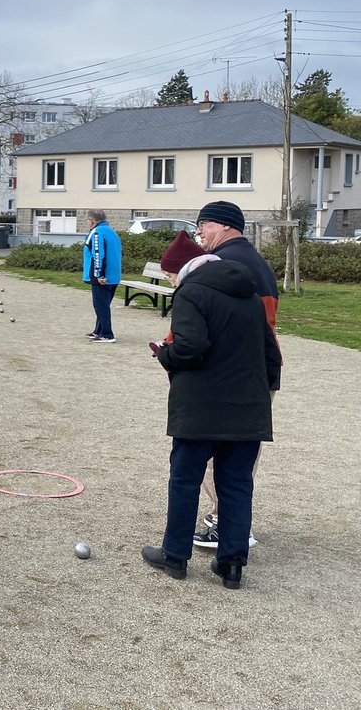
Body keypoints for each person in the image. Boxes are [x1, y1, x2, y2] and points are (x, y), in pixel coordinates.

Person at [141, 233, 281, 589]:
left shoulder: (191, 292)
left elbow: (190, 347)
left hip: (201, 407)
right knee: (236, 483)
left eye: (170, 275)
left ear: (182, 269)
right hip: (248, 407)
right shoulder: (249, 295)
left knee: (185, 479)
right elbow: (270, 354)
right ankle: (231, 563)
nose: (171, 282)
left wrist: (164, 355)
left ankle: (175, 554)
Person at [191, 200, 280, 550]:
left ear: (226, 226)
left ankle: (228, 524)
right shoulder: (256, 262)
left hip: (234, 373)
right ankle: (232, 522)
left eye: (204, 224)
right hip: (259, 370)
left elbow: (218, 324)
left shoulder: (223, 264)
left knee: (218, 453)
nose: (198, 232)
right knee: (241, 455)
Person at [83, 209, 122, 343]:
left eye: (88, 220)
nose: (88, 223)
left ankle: (107, 334)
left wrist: (99, 274)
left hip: (103, 276)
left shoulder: (97, 233)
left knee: (100, 305)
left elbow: (98, 254)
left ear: (92, 221)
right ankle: (98, 330)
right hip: (114, 275)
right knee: (103, 304)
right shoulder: (111, 231)